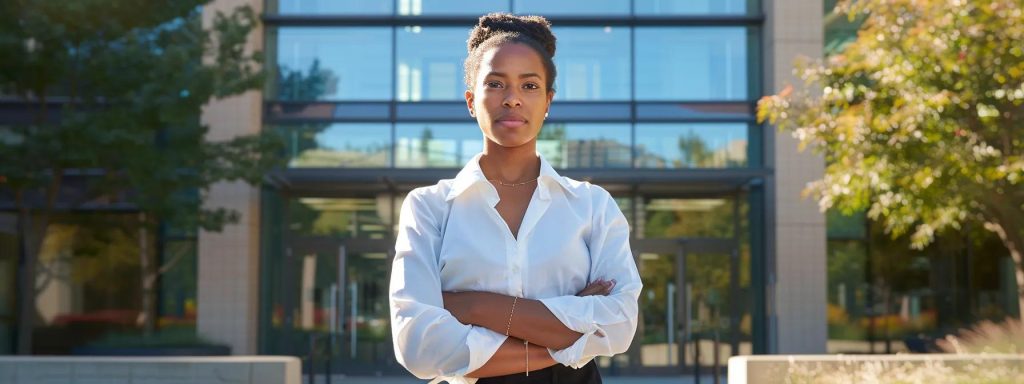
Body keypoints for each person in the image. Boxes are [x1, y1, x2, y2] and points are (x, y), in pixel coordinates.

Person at [389, 13, 642, 384]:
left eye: (529, 86)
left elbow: (618, 324)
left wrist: (471, 305)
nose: (512, 100)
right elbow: (418, 345)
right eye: (495, 84)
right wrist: (570, 327)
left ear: (548, 101)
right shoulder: (429, 207)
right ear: (471, 101)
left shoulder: (592, 205)